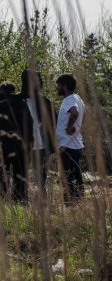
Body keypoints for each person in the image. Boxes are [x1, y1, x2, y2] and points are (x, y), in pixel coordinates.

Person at [0, 81, 33, 201]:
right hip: (16, 142)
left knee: (1, 171)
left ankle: (2, 197)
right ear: (13, 91)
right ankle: (20, 199)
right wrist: (29, 141)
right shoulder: (20, 102)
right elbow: (29, 123)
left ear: (0, 91)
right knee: (19, 172)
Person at [20, 69, 56, 188]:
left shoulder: (44, 101)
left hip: (42, 145)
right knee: (21, 177)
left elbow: (53, 123)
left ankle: (42, 200)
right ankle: (23, 201)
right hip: (23, 146)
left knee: (41, 179)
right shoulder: (18, 101)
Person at [55, 73, 85, 202]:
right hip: (74, 144)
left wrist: (68, 128)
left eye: (59, 85)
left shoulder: (70, 100)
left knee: (68, 178)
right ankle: (78, 203)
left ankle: (71, 205)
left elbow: (75, 112)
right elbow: (85, 113)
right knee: (75, 176)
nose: (57, 88)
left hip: (68, 145)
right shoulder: (77, 98)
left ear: (65, 86)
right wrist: (77, 127)